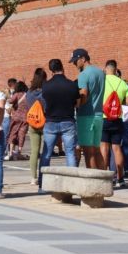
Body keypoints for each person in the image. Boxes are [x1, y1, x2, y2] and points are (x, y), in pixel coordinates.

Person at [39, 59, 80, 191]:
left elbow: (43, 103)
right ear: (62, 67)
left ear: (51, 70)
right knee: (70, 153)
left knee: (46, 153)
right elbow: (77, 103)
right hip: (68, 120)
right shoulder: (71, 85)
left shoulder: (46, 86)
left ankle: (42, 186)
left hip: (50, 121)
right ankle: (72, 185)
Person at [70, 48, 106, 170]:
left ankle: (92, 182)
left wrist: (76, 105)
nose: (75, 64)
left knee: (88, 153)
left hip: (86, 116)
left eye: (76, 61)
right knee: (97, 151)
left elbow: (84, 94)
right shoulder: (101, 73)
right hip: (99, 115)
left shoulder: (83, 75)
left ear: (83, 59)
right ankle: (104, 181)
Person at [100, 60, 128, 187]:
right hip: (117, 119)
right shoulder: (123, 83)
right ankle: (120, 178)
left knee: (104, 148)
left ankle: (105, 176)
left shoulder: (101, 82)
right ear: (116, 69)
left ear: (106, 68)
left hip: (103, 117)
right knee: (117, 148)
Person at [26, 68, 46, 185]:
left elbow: (28, 106)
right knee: (46, 150)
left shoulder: (29, 93)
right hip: (45, 122)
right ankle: (42, 176)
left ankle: (33, 177)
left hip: (32, 122)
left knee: (34, 151)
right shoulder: (45, 92)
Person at [6, 81, 30, 161]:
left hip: (16, 118)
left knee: (13, 133)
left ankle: (10, 153)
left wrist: (7, 95)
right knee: (21, 134)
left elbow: (10, 101)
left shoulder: (17, 94)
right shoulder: (28, 95)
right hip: (25, 118)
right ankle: (19, 152)